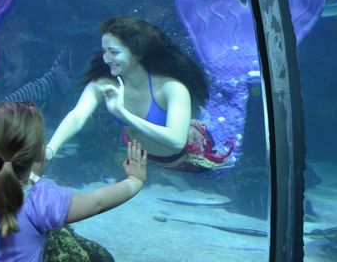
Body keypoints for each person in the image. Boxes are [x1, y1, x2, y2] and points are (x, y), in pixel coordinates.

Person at [0, 101, 147, 262]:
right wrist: (134, 181)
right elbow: (97, 203)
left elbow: (11, 185)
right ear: (40, 153)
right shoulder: (41, 201)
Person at [44, 16, 231, 171]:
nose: (106, 59)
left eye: (114, 52)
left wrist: (123, 114)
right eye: (104, 52)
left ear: (137, 53)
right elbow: (77, 116)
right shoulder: (104, 83)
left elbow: (176, 142)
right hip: (147, 161)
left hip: (191, 160)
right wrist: (49, 151)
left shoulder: (171, 88)